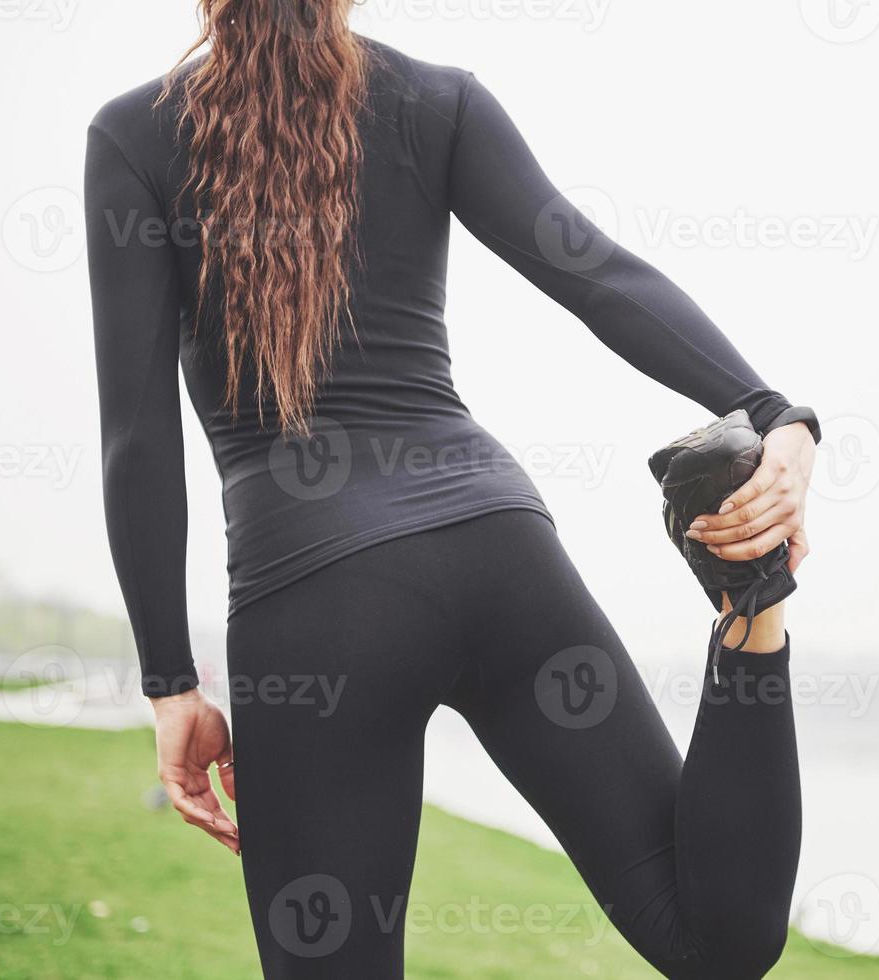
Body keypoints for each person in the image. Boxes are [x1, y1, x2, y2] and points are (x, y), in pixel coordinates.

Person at [84, 2, 819, 976]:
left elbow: (139, 439)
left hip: (314, 603)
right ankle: (749, 610)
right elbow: (592, 270)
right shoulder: (437, 101)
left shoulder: (133, 135)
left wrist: (170, 681)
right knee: (716, 940)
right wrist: (770, 409)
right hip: (497, 553)